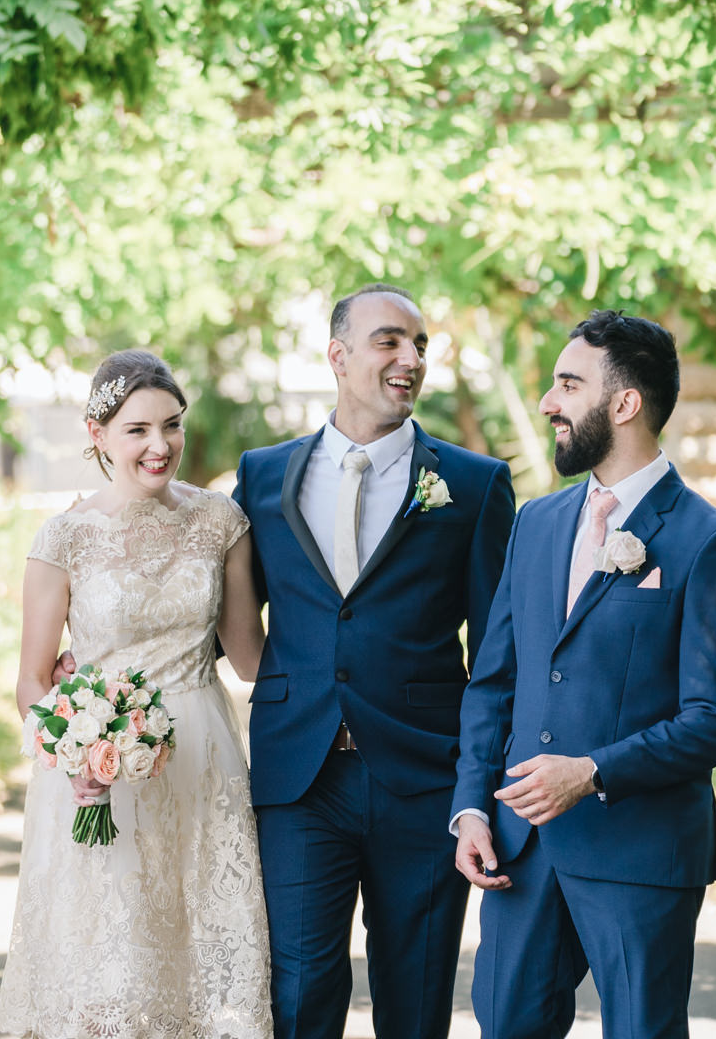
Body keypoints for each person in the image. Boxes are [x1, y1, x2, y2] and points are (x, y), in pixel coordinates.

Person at [452, 309, 716, 1039]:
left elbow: (715, 720)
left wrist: (590, 771)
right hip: (518, 854)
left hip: (640, 854)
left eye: (567, 384)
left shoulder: (711, 542)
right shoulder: (537, 523)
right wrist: (470, 807)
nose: (548, 403)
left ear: (625, 404)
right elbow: (494, 681)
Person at [232, 285, 515, 1039]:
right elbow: (220, 615)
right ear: (338, 355)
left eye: (420, 345)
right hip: (300, 777)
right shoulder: (263, 477)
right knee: (296, 995)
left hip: (424, 778)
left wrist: (476, 792)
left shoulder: (475, 484)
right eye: (390, 341)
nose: (410, 359)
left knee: (417, 998)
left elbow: (494, 656)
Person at [0, 350, 272, 1039]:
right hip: (99, 774)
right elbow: (31, 680)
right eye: (138, 430)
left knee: (201, 969)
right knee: (109, 970)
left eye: (172, 426)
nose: (160, 446)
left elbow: (250, 659)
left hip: (204, 759)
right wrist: (74, 757)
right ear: (97, 434)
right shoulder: (65, 537)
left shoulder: (220, 523)